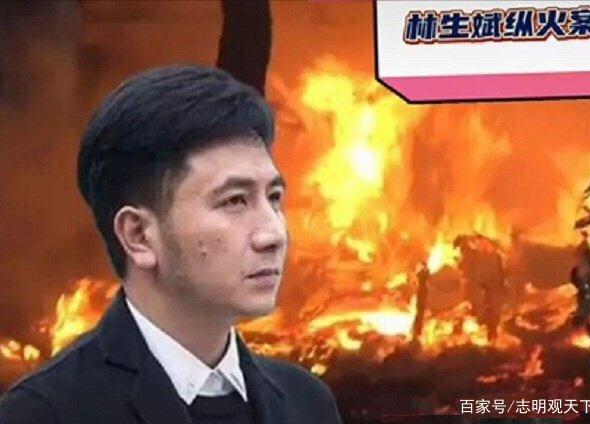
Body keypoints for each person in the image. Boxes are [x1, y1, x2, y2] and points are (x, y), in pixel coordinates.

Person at [0, 65, 343, 424]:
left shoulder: (306, 401)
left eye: (273, 197)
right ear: (138, 236)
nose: (273, 234)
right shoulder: (47, 412)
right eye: (234, 201)